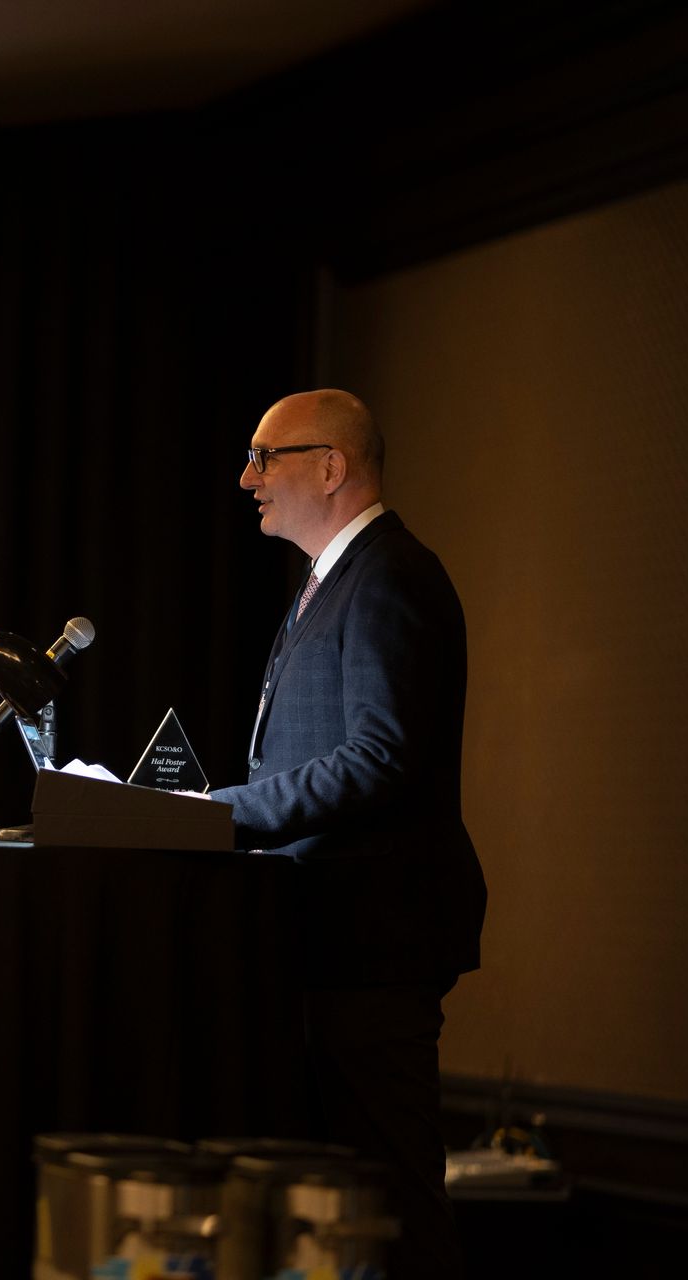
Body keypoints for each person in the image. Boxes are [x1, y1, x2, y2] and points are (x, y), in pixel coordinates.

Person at [208, 389, 486, 1280]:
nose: (246, 476)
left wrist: (227, 814)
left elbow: (380, 758)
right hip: (316, 944)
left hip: (370, 947)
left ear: (331, 468)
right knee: (335, 1216)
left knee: (388, 1207)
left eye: (265, 457)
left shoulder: (392, 576)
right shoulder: (326, 584)